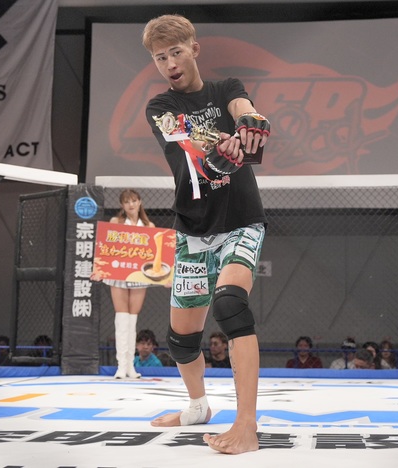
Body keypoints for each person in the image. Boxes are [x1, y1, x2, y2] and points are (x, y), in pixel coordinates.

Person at [143, 14, 270, 454]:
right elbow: (186, 140)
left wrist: (250, 121)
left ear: (194, 49)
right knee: (181, 341)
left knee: (230, 304)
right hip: (193, 229)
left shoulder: (225, 87)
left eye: (176, 52)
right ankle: (198, 407)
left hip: (240, 219)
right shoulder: (160, 106)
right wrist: (222, 144)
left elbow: (243, 108)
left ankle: (246, 424)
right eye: (160, 58)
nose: (170, 64)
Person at [100, 189, 156, 379]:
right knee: (122, 318)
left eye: (134, 200)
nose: (131, 204)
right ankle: (121, 366)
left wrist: (165, 277)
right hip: (119, 272)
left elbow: (155, 252)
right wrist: (99, 268)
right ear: (122, 205)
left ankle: (130, 366)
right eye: (127, 201)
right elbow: (106, 247)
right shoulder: (116, 222)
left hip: (139, 274)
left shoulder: (148, 225)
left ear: (140, 202)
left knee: (132, 320)